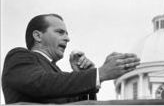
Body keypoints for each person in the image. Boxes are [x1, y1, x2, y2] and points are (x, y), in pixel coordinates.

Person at [2, 14, 140, 104]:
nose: (67, 38)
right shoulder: (19, 56)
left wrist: (84, 78)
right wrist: (99, 73)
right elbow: (42, 84)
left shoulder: (57, 76)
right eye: (60, 32)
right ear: (38, 36)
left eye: (67, 34)